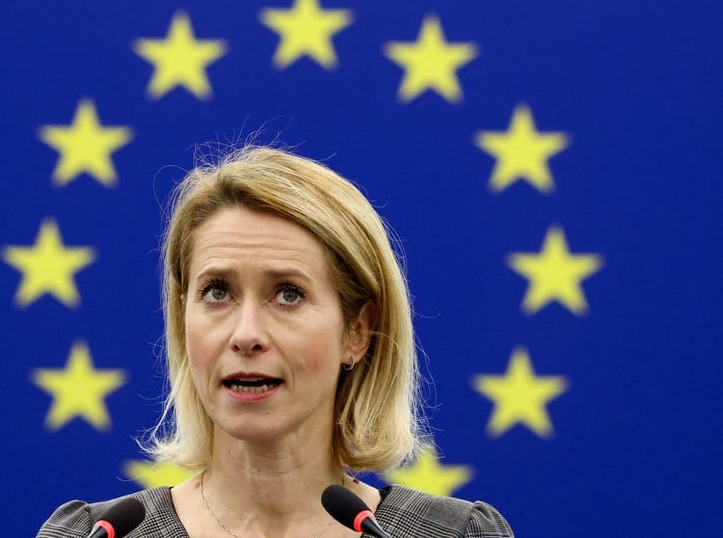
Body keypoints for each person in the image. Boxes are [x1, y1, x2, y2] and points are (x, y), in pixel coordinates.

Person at [37, 146, 513, 537]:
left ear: (358, 332)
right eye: (217, 292)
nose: (246, 335)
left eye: (288, 294)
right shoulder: (92, 536)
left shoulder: (455, 534)